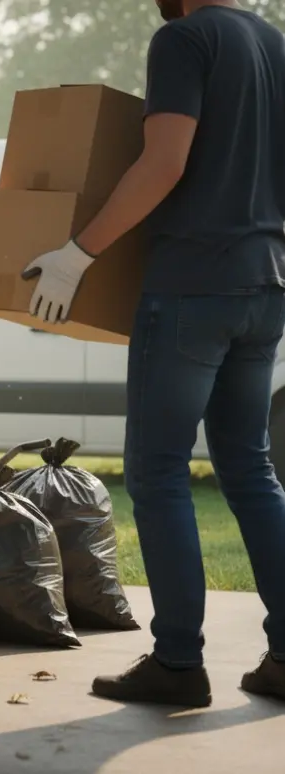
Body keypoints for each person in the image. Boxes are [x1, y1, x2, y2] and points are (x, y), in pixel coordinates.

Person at [22, 0, 285, 708]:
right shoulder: (273, 42)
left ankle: (177, 663)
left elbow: (164, 161)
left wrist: (79, 254)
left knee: (159, 471)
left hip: (193, 287)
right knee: (250, 470)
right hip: (265, 284)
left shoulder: (185, 39)